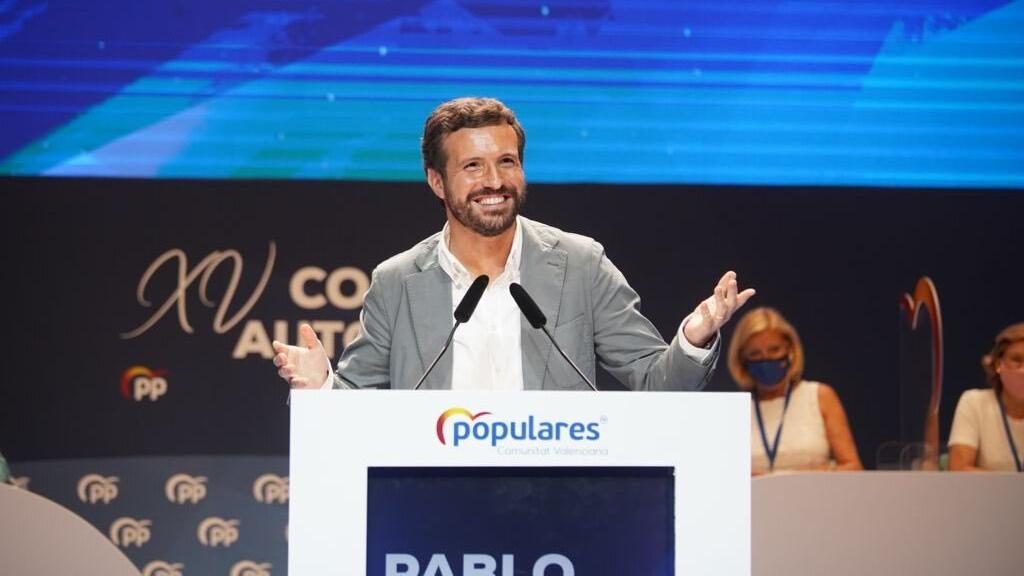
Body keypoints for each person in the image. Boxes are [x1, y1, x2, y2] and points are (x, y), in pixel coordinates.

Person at [273, 96, 754, 391]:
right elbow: (355, 406)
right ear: (437, 182)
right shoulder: (397, 281)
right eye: (473, 167)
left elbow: (655, 385)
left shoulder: (581, 264)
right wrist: (321, 387)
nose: (494, 181)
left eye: (506, 162)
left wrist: (693, 341)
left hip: (560, 500)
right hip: (433, 503)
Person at [727, 307, 862, 475]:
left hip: (818, 498)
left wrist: (813, 475)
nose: (766, 359)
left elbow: (853, 468)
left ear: (789, 350)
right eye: (755, 354)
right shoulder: (733, 411)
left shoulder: (819, 396)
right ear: (742, 359)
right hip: (758, 500)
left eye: (774, 350)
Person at [948, 322, 1024, 472]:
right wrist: (1013, 486)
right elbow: (959, 469)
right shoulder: (975, 403)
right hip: (986, 496)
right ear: (998, 365)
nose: (1023, 370)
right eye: (1016, 360)